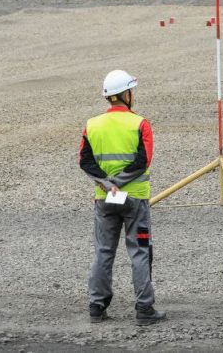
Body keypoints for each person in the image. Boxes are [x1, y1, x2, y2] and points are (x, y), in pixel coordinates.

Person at [79, 69, 166, 326]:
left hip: (104, 200)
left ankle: (97, 307)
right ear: (125, 94)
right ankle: (144, 309)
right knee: (139, 251)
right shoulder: (140, 123)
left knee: (103, 252)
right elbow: (143, 161)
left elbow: (84, 162)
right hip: (135, 199)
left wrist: (107, 185)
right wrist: (119, 183)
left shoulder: (91, 125)